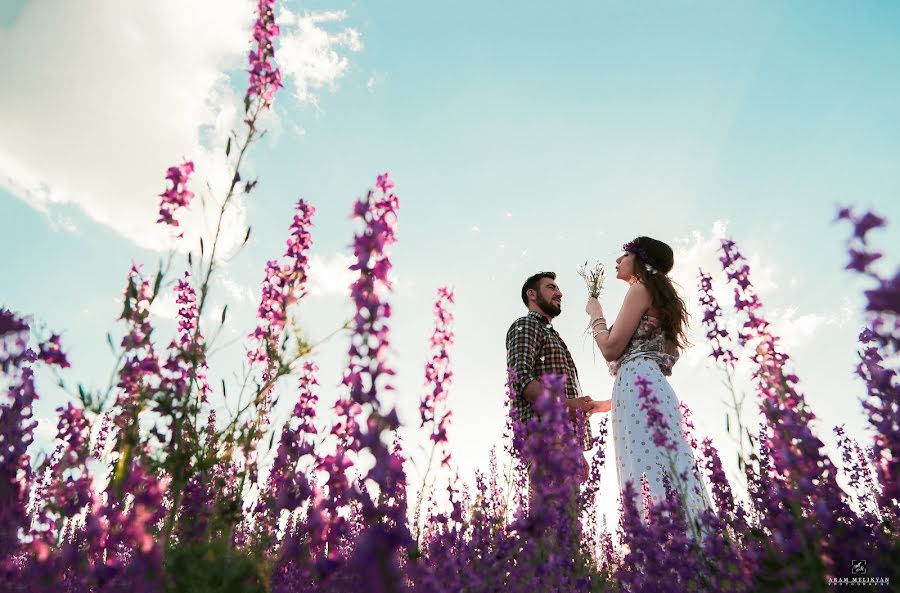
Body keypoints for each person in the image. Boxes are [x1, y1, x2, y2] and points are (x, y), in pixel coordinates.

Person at [584, 238, 712, 527]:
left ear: (640, 260)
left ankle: (664, 550)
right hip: (650, 386)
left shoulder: (639, 289)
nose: (618, 260)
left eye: (624, 255)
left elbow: (611, 349)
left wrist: (596, 316)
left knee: (644, 471)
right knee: (664, 466)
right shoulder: (657, 296)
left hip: (638, 384)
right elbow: (642, 363)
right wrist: (602, 405)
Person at [506, 272, 611, 469]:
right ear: (532, 294)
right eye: (551, 287)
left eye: (558, 288)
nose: (559, 293)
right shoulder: (526, 325)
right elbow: (520, 378)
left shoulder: (552, 335)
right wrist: (566, 405)